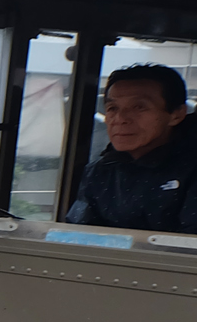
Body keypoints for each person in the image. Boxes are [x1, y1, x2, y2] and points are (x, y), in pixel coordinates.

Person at [63, 64, 197, 233]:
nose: (120, 119)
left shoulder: (190, 168)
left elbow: (188, 248)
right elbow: (78, 237)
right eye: (113, 108)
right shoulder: (99, 171)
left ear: (176, 115)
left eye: (139, 107)